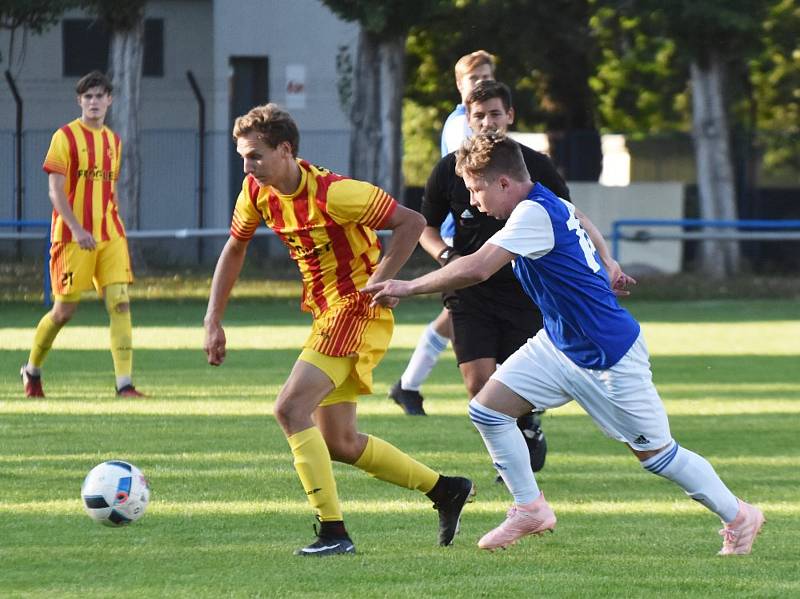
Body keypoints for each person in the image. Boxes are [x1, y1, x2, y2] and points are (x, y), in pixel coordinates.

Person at [363, 132, 765, 555]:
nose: (474, 202)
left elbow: (477, 268)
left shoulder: (532, 215)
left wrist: (406, 286)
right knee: (487, 409)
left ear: (504, 183)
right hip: (558, 346)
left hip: (607, 356)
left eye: (477, 189)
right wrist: (607, 262)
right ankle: (529, 508)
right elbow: (585, 222)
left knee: (657, 456)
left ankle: (739, 516)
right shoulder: (547, 203)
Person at [203, 103, 474, 557]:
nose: (247, 167)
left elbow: (410, 222)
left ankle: (333, 533)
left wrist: (384, 280)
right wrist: (213, 318)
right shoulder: (255, 192)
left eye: (255, 156)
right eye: (243, 157)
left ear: (285, 149)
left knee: (289, 410)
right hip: (328, 312)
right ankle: (445, 489)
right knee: (339, 442)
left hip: (356, 309)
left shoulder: (335, 192)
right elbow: (234, 248)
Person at [419, 80, 573, 476]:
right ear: (466, 120)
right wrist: (447, 255)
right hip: (469, 291)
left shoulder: (533, 166)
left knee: (517, 385)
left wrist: (603, 259)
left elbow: (570, 217)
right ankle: (513, 470)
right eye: (478, 115)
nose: (487, 122)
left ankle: (526, 425)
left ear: (510, 116)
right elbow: (424, 226)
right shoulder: (449, 168)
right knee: (479, 387)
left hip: (525, 289)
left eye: (494, 114)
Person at [20, 70, 144, 399]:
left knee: (119, 302)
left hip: (110, 235)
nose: (94, 102)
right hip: (72, 237)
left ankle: (124, 384)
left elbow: (110, 189)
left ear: (109, 100)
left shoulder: (114, 142)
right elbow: (55, 191)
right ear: (79, 101)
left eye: (99, 96)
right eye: (87, 97)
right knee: (64, 311)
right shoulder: (65, 137)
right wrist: (77, 228)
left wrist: (114, 222)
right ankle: (31, 369)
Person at [388, 50, 495, 416]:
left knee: (458, 315)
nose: (481, 83)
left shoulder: (488, 119)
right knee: (466, 312)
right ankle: (410, 385)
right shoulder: (460, 124)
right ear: (459, 85)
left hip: (481, 232)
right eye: (474, 78)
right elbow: (466, 172)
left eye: (487, 77)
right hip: (460, 235)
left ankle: (408, 385)